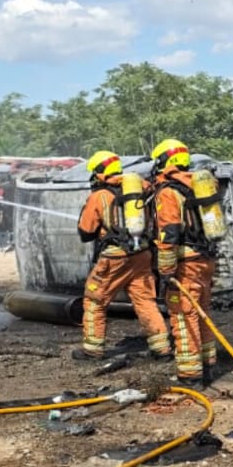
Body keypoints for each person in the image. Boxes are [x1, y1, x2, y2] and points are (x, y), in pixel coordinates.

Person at [72, 150, 170, 362]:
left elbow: (86, 232)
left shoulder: (99, 196)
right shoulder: (141, 187)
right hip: (142, 254)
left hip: (115, 258)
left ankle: (92, 349)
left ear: (99, 172)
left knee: (94, 301)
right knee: (145, 301)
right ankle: (162, 348)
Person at [149, 138, 218, 384]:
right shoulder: (195, 187)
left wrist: (166, 271)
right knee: (202, 313)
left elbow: (169, 234)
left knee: (182, 315)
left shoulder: (168, 192)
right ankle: (208, 365)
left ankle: (190, 375)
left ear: (163, 162)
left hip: (185, 265)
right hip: (205, 260)